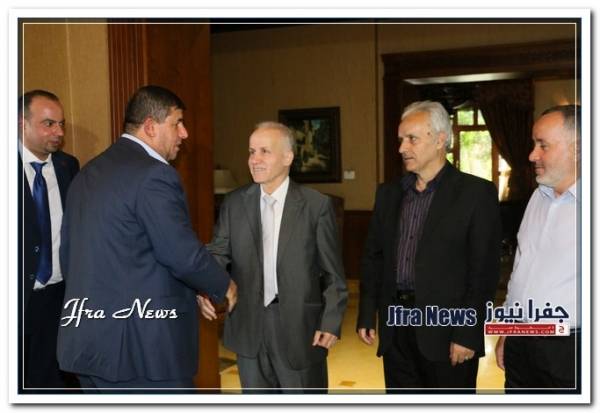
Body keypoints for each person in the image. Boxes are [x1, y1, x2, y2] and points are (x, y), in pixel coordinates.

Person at [56, 85, 237, 391]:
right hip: (140, 351)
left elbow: (81, 254)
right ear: (151, 127)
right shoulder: (155, 174)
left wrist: (192, 288)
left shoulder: (87, 172)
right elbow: (180, 254)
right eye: (177, 123)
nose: (185, 133)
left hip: (88, 343)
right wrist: (224, 284)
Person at [357, 101, 501, 392]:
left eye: (412, 139)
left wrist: (468, 333)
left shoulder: (476, 194)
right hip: (396, 328)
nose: (402, 148)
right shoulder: (388, 194)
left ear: (439, 140)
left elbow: (483, 274)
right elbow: (374, 257)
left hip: (447, 332)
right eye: (401, 139)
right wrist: (367, 312)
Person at [198, 121, 347, 393]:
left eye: (264, 151)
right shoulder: (234, 203)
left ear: (288, 157)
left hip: (300, 330)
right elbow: (218, 254)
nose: (254, 159)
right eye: (251, 152)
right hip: (248, 326)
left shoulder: (316, 206)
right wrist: (207, 288)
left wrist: (330, 322)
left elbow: (333, 274)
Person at [495, 105, 580, 392]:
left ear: (578, 148)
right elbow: (521, 269)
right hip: (521, 344)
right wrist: (508, 329)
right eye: (534, 144)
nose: (532, 155)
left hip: (570, 351)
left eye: (543, 145)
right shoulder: (537, 197)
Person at [19, 90, 80, 390]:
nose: (59, 132)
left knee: (53, 383)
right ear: (22, 124)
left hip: (59, 297)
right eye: (49, 124)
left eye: (61, 124)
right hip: (17, 296)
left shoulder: (69, 166)